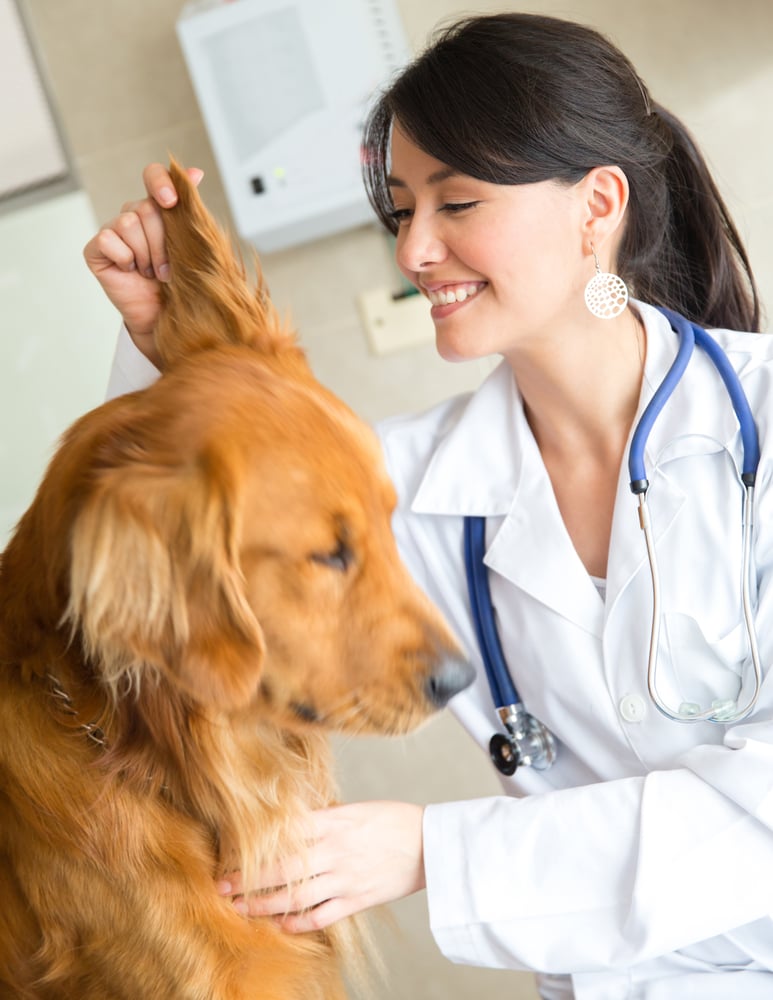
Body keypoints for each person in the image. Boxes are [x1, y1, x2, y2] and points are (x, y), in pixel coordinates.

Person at [83, 12, 773, 999]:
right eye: (401, 209)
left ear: (596, 206)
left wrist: (428, 853)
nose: (413, 251)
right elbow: (170, 559)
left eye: (456, 204)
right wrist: (169, 351)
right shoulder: (402, 484)